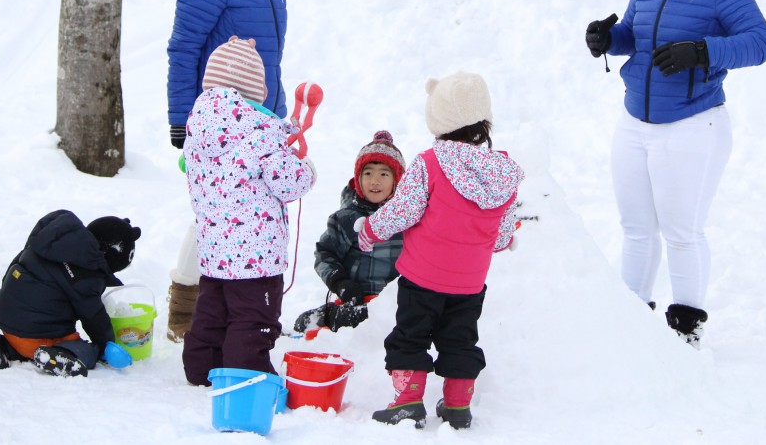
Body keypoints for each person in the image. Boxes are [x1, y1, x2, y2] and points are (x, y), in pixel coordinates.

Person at [584, 0, 766, 346]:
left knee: (681, 231)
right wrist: (607, 38)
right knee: (635, 228)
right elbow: (633, 34)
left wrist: (704, 51)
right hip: (635, 122)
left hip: (692, 125)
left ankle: (686, 329)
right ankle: (633, 323)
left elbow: (760, 42)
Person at [357, 73, 524, 429]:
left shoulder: (430, 163)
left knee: (410, 336)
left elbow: (403, 211)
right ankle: (458, 406)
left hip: (422, 278)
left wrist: (369, 230)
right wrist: (503, 239)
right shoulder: (503, 174)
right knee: (460, 340)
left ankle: (408, 400)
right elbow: (501, 236)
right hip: (469, 285)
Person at [166, 0, 286, 342]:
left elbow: (267, 54)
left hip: (262, 118)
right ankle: (185, 310)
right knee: (218, 217)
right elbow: (183, 49)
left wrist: (277, 110)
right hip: (218, 122)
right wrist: (182, 121)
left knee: (251, 220)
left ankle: (239, 318)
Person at [181, 37, 317, 387]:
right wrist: (307, 170)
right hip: (255, 255)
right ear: (254, 89)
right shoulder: (260, 131)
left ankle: (202, 368)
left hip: (214, 252)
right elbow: (290, 184)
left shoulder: (196, 131)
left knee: (212, 312)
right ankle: (246, 375)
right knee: (253, 318)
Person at [0, 209, 141, 377]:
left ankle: (2, 345)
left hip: (7, 318)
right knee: (88, 351)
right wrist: (106, 343)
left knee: (24, 341)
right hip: (37, 332)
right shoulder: (88, 273)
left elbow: (16, 266)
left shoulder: (53, 241)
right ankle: (56, 354)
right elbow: (93, 316)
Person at [292, 131, 406, 334]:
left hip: (395, 303)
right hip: (356, 299)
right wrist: (340, 282)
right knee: (317, 323)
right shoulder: (346, 219)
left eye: (384, 174)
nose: (375, 181)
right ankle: (326, 322)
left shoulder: (407, 220)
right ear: (358, 178)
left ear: (397, 180)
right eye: (368, 173)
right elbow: (325, 255)